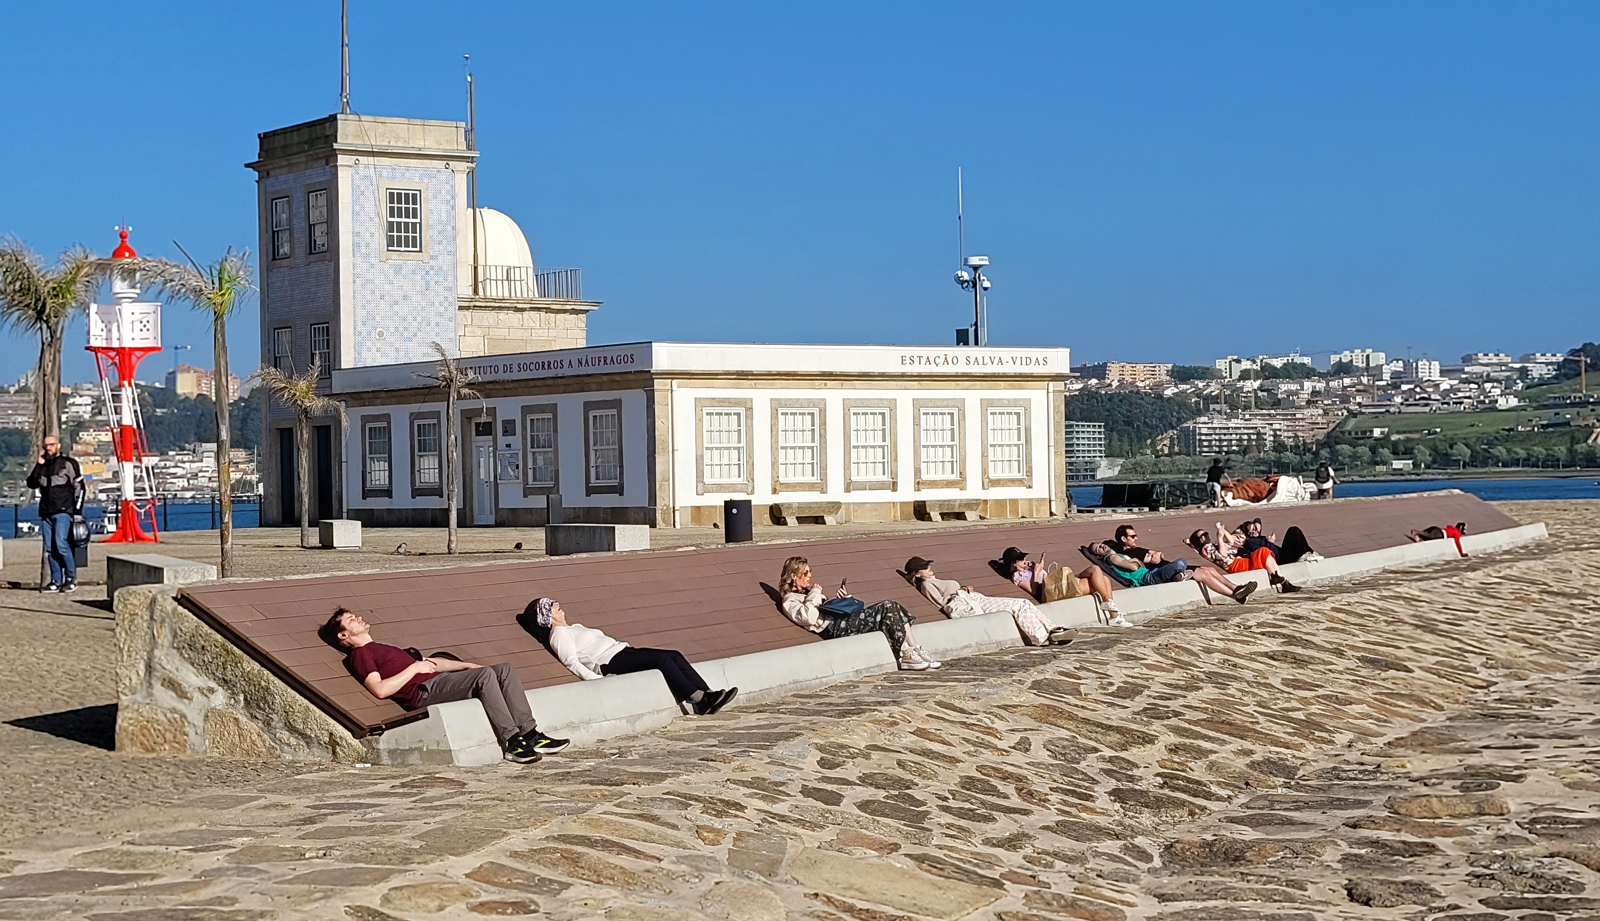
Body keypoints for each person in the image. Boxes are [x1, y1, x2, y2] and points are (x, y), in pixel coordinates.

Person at [317, 608, 568, 764]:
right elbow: (380, 689)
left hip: (438, 681)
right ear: (343, 635)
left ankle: (531, 734)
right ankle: (513, 742)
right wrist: (414, 669)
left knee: (502, 670)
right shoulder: (361, 654)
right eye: (351, 619)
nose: (358, 618)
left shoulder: (384, 647)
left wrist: (466, 665)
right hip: (423, 693)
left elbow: (431, 663)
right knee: (485, 678)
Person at [523, 598, 738, 716]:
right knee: (661, 661)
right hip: (609, 662)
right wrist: (596, 681)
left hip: (622, 651)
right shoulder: (559, 635)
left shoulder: (572, 627)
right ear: (546, 616)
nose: (558, 604)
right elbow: (571, 662)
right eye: (552, 605)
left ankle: (707, 693)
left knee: (673, 655)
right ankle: (697, 700)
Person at [778, 556, 941, 670]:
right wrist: (814, 593)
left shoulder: (808, 592)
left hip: (842, 620)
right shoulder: (790, 600)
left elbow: (821, 608)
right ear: (794, 576)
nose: (810, 576)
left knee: (893, 608)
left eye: (810, 571)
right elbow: (809, 617)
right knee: (887, 606)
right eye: (806, 573)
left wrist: (841, 600)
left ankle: (914, 649)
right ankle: (905, 654)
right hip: (834, 628)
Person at [905, 556, 1072, 646]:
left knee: (1024, 603)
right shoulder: (927, 585)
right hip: (970, 603)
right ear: (918, 574)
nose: (929, 568)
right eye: (925, 567)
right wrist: (962, 591)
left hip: (974, 598)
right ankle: (1041, 636)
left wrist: (964, 590)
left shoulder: (933, 580)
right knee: (1018, 604)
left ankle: (1052, 629)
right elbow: (943, 603)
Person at [1085, 540, 1256, 604]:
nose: (1102, 546)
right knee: (1181, 562)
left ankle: (1235, 592)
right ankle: (1180, 576)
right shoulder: (1112, 558)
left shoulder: (1117, 555)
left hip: (1149, 575)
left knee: (1203, 573)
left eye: (1100, 544)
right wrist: (1135, 561)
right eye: (1098, 548)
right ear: (1098, 555)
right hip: (1148, 578)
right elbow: (1134, 567)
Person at [997, 546, 1125, 624]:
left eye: (1024, 558)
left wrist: (1035, 568)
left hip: (1059, 585)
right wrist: (1036, 571)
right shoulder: (1017, 577)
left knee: (1096, 570)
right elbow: (1034, 591)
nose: (1024, 561)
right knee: (1102, 580)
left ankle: (1111, 609)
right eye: (1021, 560)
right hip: (1050, 592)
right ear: (1013, 564)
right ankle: (1113, 613)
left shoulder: (1029, 568)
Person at [27, 434, 84, 593]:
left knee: (61, 544)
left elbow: (79, 487)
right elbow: (31, 483)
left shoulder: (68, 464)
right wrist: (38, 465)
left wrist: (77, 511)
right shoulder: (43, 466)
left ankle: (71, 577)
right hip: (46, 511)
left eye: (51, 445)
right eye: (46, 445)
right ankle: (55, 580)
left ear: (58, 445)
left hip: (63, 510)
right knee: (50, 548)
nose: (48, 448)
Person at [1186, 525, 1302, 593]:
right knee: (1262, 551)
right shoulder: (1206, 549)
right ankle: (1282, 581)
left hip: (1241, 560)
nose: (1207, 536)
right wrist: (1220, 538)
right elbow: (1223, 556)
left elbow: (1231, 541)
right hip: (1236, 565)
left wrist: (1223, 531)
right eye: (1204, 535)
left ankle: (1279, 578)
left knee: (1264, 552)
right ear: (1200, 540)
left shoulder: (1212, 545)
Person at [1107, 524, 1192, 582]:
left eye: (1136, 536)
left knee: (1183, 563)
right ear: (1123, 539)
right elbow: (1154, 560)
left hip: (1166, 567)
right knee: (1181, 562)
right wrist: (1156, 554)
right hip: (1159, 571)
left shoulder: (1137, 549)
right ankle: (1178, 575)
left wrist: (1157, 553)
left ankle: (1179, 575)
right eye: (1133, 536)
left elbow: (1159, 554)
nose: (1136, 538)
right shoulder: (1130, 553)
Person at [1237, 517, 1321, 564]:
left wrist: (1256, 525)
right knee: (1293, 531)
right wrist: (1269, 542)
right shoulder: (1250, 542)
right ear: (1248, 534)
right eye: (1252, 530)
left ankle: (1309, 553)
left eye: (1255, 529)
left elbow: (1258, 519)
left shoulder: (1257, 537)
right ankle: (1306, 554)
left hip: (1281, 554)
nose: (1255, 531)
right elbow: (1261, 552)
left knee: (1295, 532)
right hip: (1280, 559)